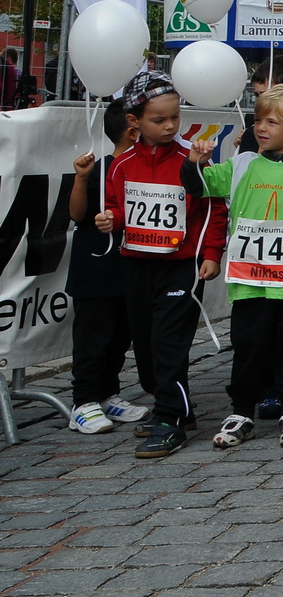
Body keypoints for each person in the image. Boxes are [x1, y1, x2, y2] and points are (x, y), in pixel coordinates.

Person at [186, 85, 283, 450]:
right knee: (249, 344)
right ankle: (242, 409)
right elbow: (198, 187)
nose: (261, 127)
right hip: (250, 279)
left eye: (272, 121)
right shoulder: (241, 163)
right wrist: (192, 161)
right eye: (258, 119)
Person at [99, 71, 223, 458]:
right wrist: (111, 221)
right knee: (147, 344)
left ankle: (170, 419)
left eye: (175, 117)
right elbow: (118, 209)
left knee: (170, 343)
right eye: (159, 120)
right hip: (137, 263)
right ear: (133, 122)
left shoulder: (193, 159)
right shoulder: (121, 165)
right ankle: (174, 407)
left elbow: (214, 210)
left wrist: (212, 254)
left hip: (181, 265)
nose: (170, 126)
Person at [64, 102, 150, 435]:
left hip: (129, 268)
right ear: (133, 129)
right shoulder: (99, 168)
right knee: (93, 338)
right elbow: (76, 214)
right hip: (96, 271)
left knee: (119, 337)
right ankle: (83, 402)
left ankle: (107, 394)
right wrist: (80, 179)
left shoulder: (143, 168)